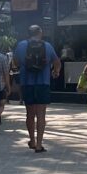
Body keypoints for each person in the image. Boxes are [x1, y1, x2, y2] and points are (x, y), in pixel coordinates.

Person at [12, 25, 60, 153]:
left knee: (30, 114)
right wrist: (56, 71)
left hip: (27, 84)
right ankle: (39, 144)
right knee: (41, 115)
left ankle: (32, 140)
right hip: (43, 83)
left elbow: (15, 63)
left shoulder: (21, 45)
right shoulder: (47, 46)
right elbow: (57, 62)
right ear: (40, 33)